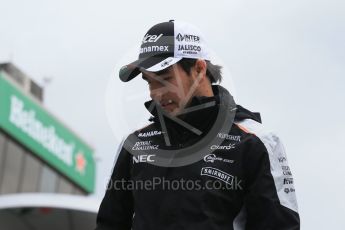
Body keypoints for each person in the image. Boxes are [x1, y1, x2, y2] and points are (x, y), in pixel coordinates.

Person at [96, 20, 300, 230]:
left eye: (165, 79)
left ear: (199, 69)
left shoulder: (255, 141)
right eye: (149, 81)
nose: (155, 92)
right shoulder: (135, 143)